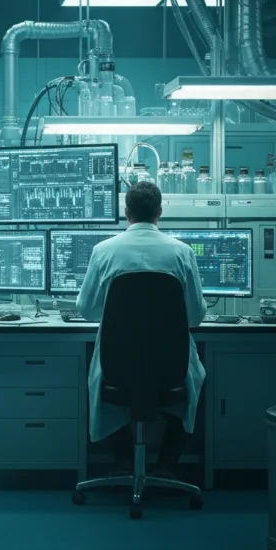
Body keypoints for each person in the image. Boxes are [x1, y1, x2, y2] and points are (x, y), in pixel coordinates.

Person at [77, 181, 207, 476]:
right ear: (160, 212)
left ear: (126, 213)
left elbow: (86, 310)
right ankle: (167, 464)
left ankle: (123, 460)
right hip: (170, 369)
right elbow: (196, 317)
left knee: (97, 380)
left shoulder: (104, 250)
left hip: (117, 368)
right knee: (196, 380)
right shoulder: (182, 252)